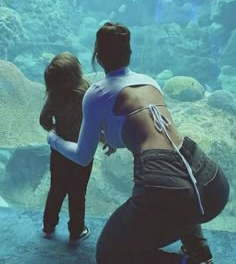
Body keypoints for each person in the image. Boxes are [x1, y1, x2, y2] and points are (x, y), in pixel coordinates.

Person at [47, 23, 230, 263]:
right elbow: (143, 129)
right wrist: (110, 137)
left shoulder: (96, 93)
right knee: (183, 193)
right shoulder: (150, 82)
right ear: (129, 53)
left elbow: (83, 156)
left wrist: (54, 140)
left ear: (98, 57)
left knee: (109, 253)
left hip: (164, 186)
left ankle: (187, 262)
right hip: (211, 179)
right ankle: (198, 248)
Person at [40, 52, 92, 244]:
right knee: (78, 192)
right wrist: (106, 139)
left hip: (59, 152)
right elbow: (96, 122)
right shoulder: (87, 92)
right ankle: (76, 231)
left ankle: (48, 226)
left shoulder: (54, 94)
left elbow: (44, 119)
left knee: (56, 189)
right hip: (82, 150)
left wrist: (54, 130)